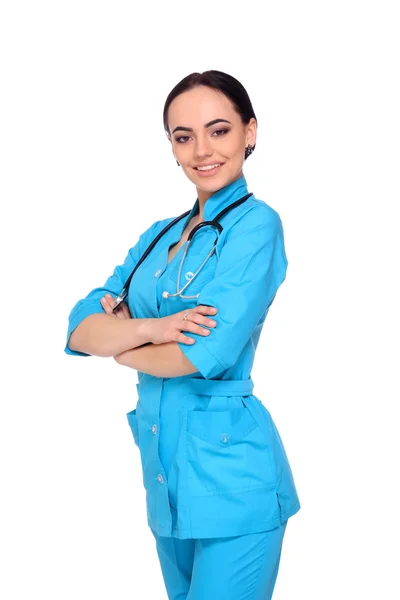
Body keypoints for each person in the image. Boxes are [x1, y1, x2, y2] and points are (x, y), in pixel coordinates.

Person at [65, 70, 301, 600]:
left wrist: (121, 340)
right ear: (171, 146)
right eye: (183, 136)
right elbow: (80, 328)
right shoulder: (158, 237)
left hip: (235, 485)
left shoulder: (256, 227)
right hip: (166, 483)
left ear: (250, 132)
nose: (202, 150)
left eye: (219, 131)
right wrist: (150, 330)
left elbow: (196, 356)